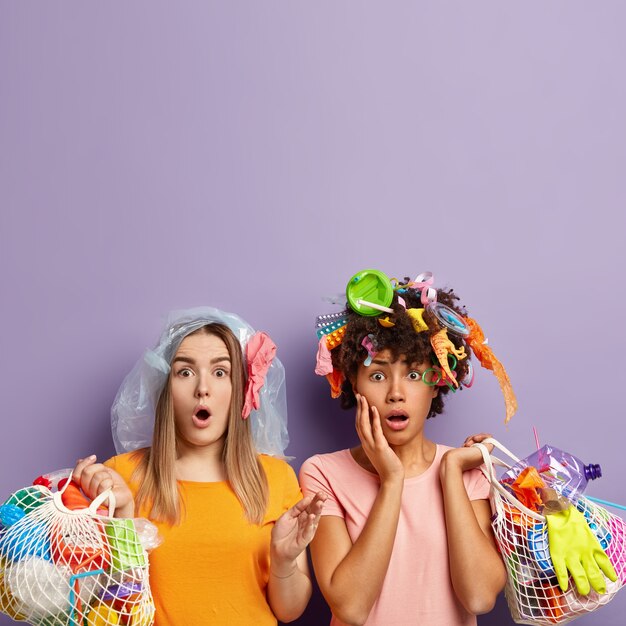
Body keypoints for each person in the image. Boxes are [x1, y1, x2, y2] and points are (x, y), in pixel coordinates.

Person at [72, 307, 325, 626]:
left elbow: (289, 611)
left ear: (241, 390)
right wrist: (117, 516)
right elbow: (98, 605)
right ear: (165, 388)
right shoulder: (121, 478)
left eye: (221, 372)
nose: (202, 388)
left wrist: (284, 562)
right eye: (185, 372)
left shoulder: (276, 478)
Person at [300, 270, 515, 626]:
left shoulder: (466, 470)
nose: (396, 393)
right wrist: (392, 478)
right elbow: (350, 609)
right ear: (354, 382)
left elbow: (477, 595)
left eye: (414, 374)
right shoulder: (323, 474)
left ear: (438, 383)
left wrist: (449, 473)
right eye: (378, 375)